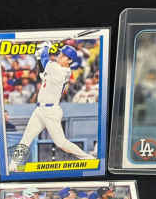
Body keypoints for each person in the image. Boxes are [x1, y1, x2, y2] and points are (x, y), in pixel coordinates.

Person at [7, 43, 95, 172]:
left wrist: (46, 47)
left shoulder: (59, 70)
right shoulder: (57, 68)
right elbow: (43, 69)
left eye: (64, 56)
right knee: (26, 138)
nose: (60, 56)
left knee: (61, 143)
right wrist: (40, 56)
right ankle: (13, 165)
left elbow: (45, 58)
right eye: (61, 54)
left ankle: (88, 158)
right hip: (40, 110)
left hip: (51, 111)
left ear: (69, 61)